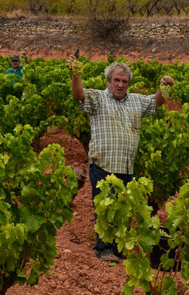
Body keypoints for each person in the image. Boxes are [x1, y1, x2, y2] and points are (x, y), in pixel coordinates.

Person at [67, 56, 175, 262]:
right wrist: (75, 74)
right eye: (116, 80)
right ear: (108, 81)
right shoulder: (97, 98)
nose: (120, 85)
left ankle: (117, 248)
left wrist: (165, 86)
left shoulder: (136, 100)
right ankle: (103, 248)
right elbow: (79, 93)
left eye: (124, 81)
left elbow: (156, 101)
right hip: (103, 166)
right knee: (105, 209)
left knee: (123, 210)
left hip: (126, 167)